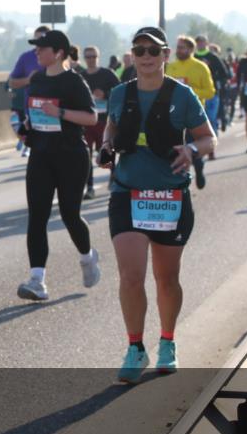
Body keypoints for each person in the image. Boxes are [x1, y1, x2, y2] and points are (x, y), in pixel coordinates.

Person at [98, 26, 216, 384]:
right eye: (139, 50)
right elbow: (111, 129)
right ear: (132, 56)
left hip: (168, 196)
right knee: (131, 276)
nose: (146, 56)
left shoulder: (182, 96)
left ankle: (167, 342)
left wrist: (191, 150)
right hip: (127, 193)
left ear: (165, 55)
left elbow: (208, 138)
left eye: (153, 50)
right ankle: (135, 348)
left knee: (166, 278)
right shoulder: (120, 93)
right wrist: (106, 147)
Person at [16, 30, 101, 301]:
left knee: (69, 214)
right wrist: (27, 126)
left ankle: (87, 257)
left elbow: (91, 118)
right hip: (40, 155)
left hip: (71, 156)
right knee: (37, 217)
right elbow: (35, 112)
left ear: (59, 53)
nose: (37, 52)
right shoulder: (38, 78)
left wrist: (61, 113)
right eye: (36, 48)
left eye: (42, 48)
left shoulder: (74, 82)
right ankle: (37, 280)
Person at [165, 35, 215, 189]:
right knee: (175, 149)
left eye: (182, 47)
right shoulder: (171, 67)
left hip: (194, 114)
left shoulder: (200, 67)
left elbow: (210, 91)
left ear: (190, 49)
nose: (178, 50)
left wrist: (190, 91)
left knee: (194, 147)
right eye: (177, 47)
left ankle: (199, 170)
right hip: (173, 115)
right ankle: (178, 181)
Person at [79, 45, 120, 199]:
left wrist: (105, 94)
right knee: (86, 155)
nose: (90, 59)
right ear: (84, 58)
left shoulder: (108, 74)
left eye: (93, 56)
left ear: (98, 57)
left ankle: (113, 177)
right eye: (88, 57)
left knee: (107, 151)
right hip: (87, 122)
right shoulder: (80, 76)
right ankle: (89, 187)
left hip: (105, 120)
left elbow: (120, 92)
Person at [8, 26, 50, 158]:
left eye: (43, 40)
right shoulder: (26, 58)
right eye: (36, 40)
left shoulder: (58, 59)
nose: (39, 45)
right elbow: (12, 82)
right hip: (33, 110)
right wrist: (28, 80)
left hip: (55, 111)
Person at [194, 35, 229, 138]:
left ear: (206, 43)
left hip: (212, 93)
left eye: (202, 42)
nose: (200, 44)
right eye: (198, 42)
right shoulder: (193, 57)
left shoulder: (213, 57)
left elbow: (224, 74)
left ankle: (212, 142)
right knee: (199, 120)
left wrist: (217, 82)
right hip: (197, 94)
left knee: (211, 118)